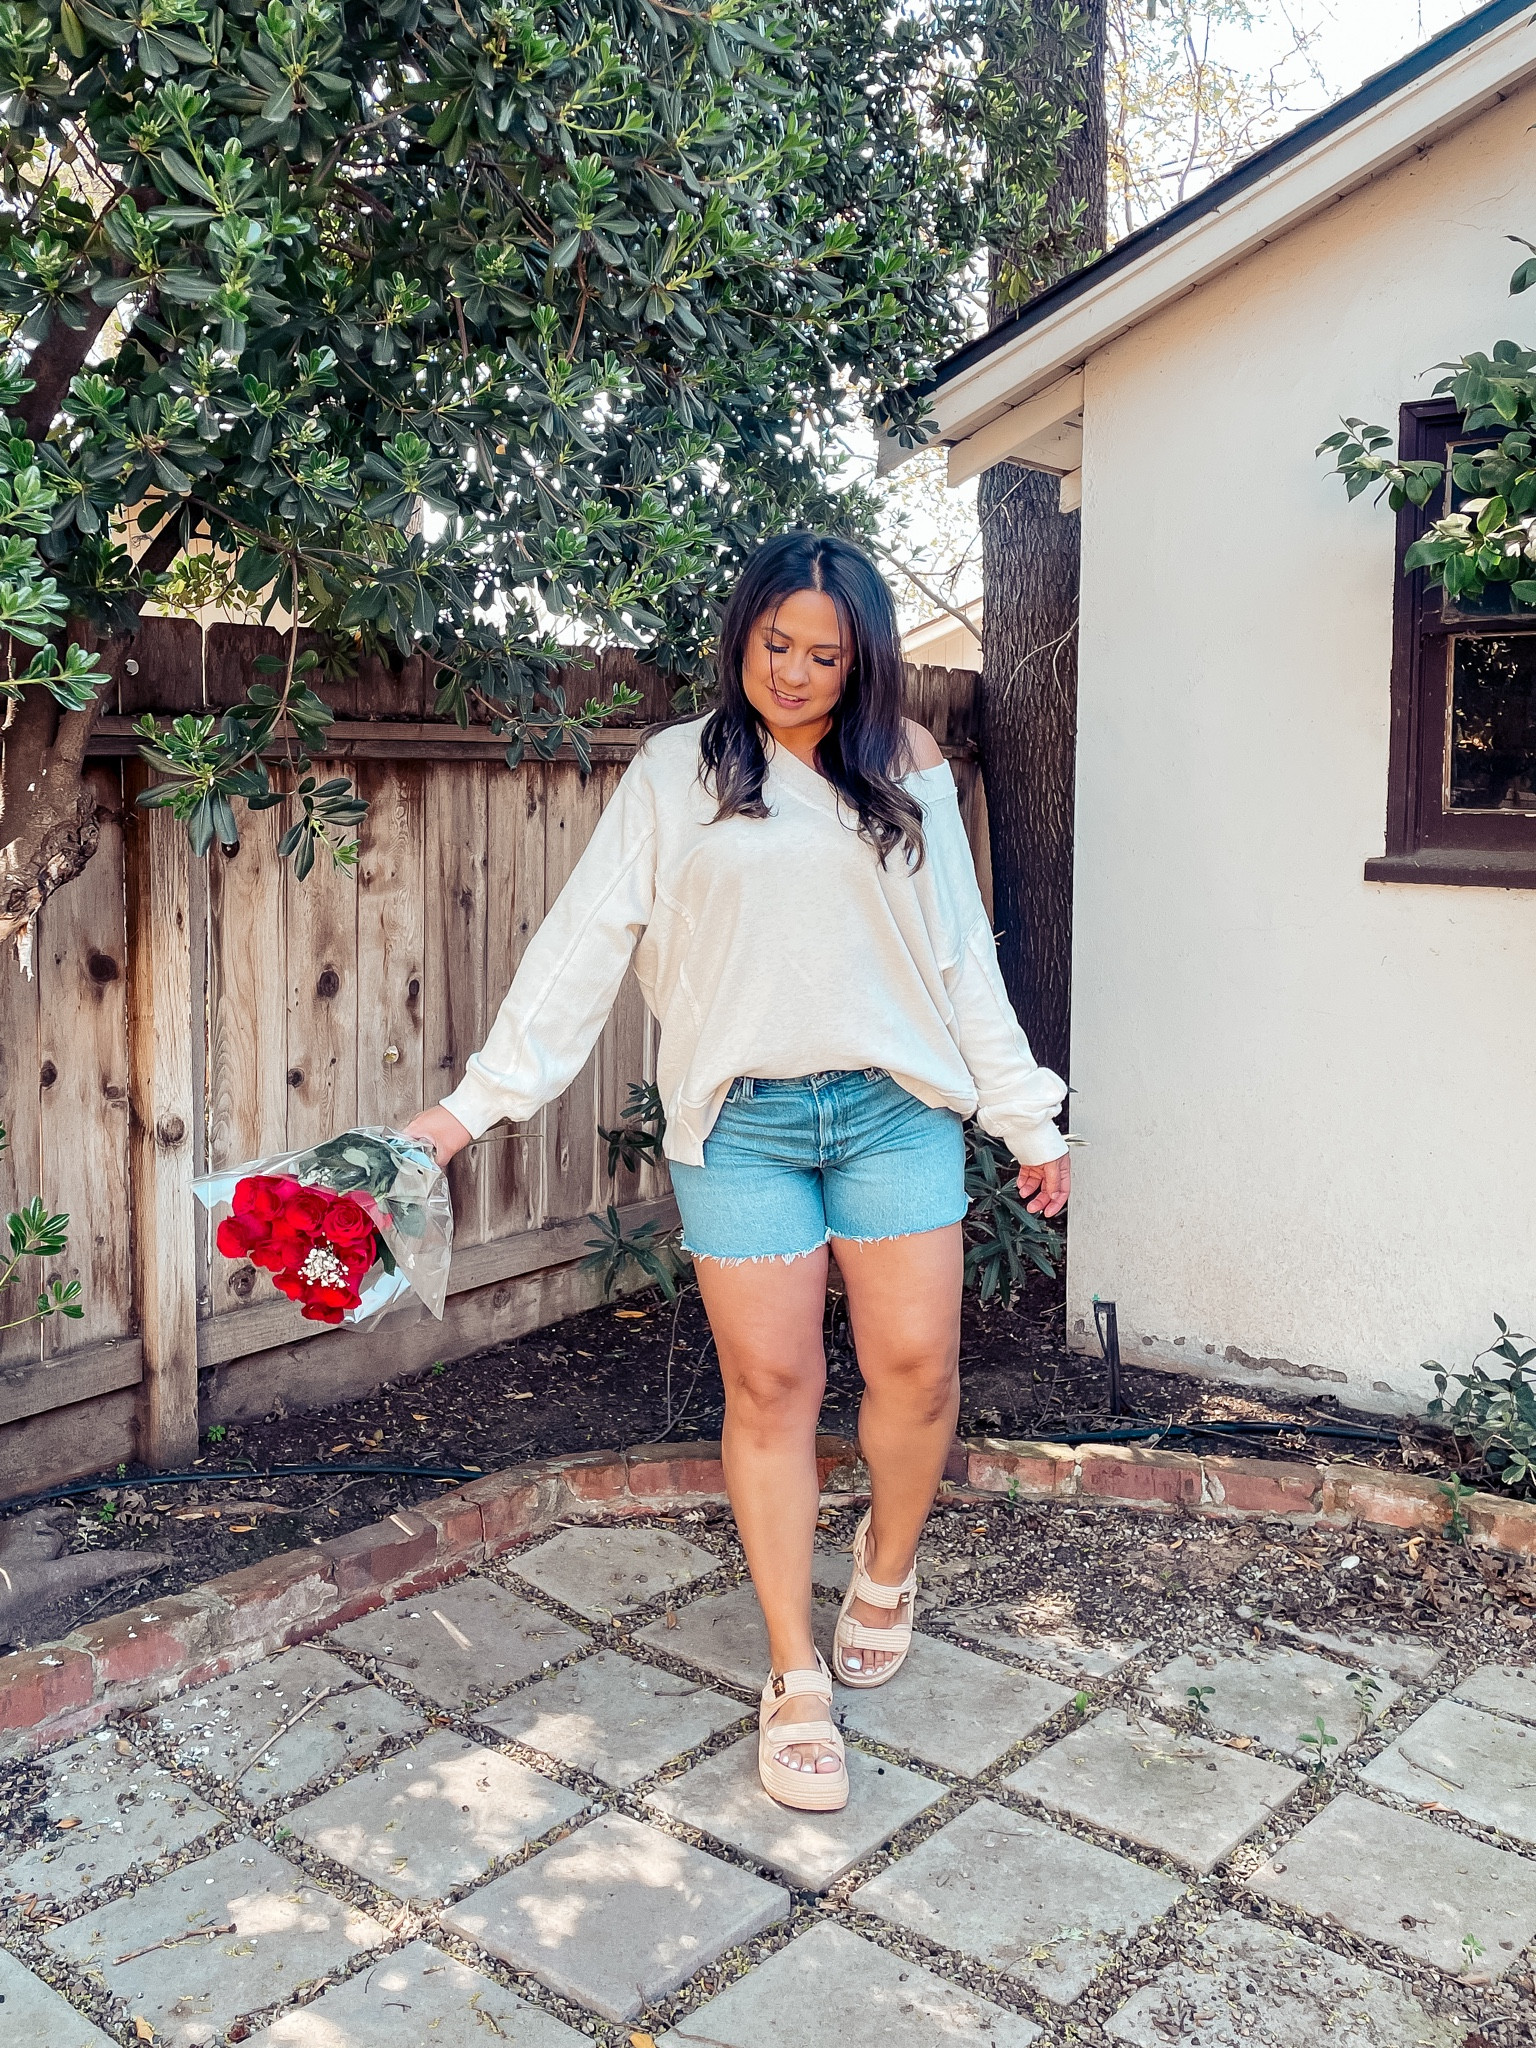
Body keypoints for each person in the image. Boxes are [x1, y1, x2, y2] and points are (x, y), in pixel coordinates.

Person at [406, 531, 1069, 1813]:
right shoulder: (679, 770)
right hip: (742, 1124)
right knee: (773, 1386)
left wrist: (1026, 1118)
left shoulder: (907, 766)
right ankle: (792, 1672)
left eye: (827, 654)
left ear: (864, 660)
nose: (796, 673)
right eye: (777, 644)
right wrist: (470, 1107)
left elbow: (959, 958)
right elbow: (582, 941)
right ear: (743, 632)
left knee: (918, 1370)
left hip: (893, 1112)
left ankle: (886, 1566)